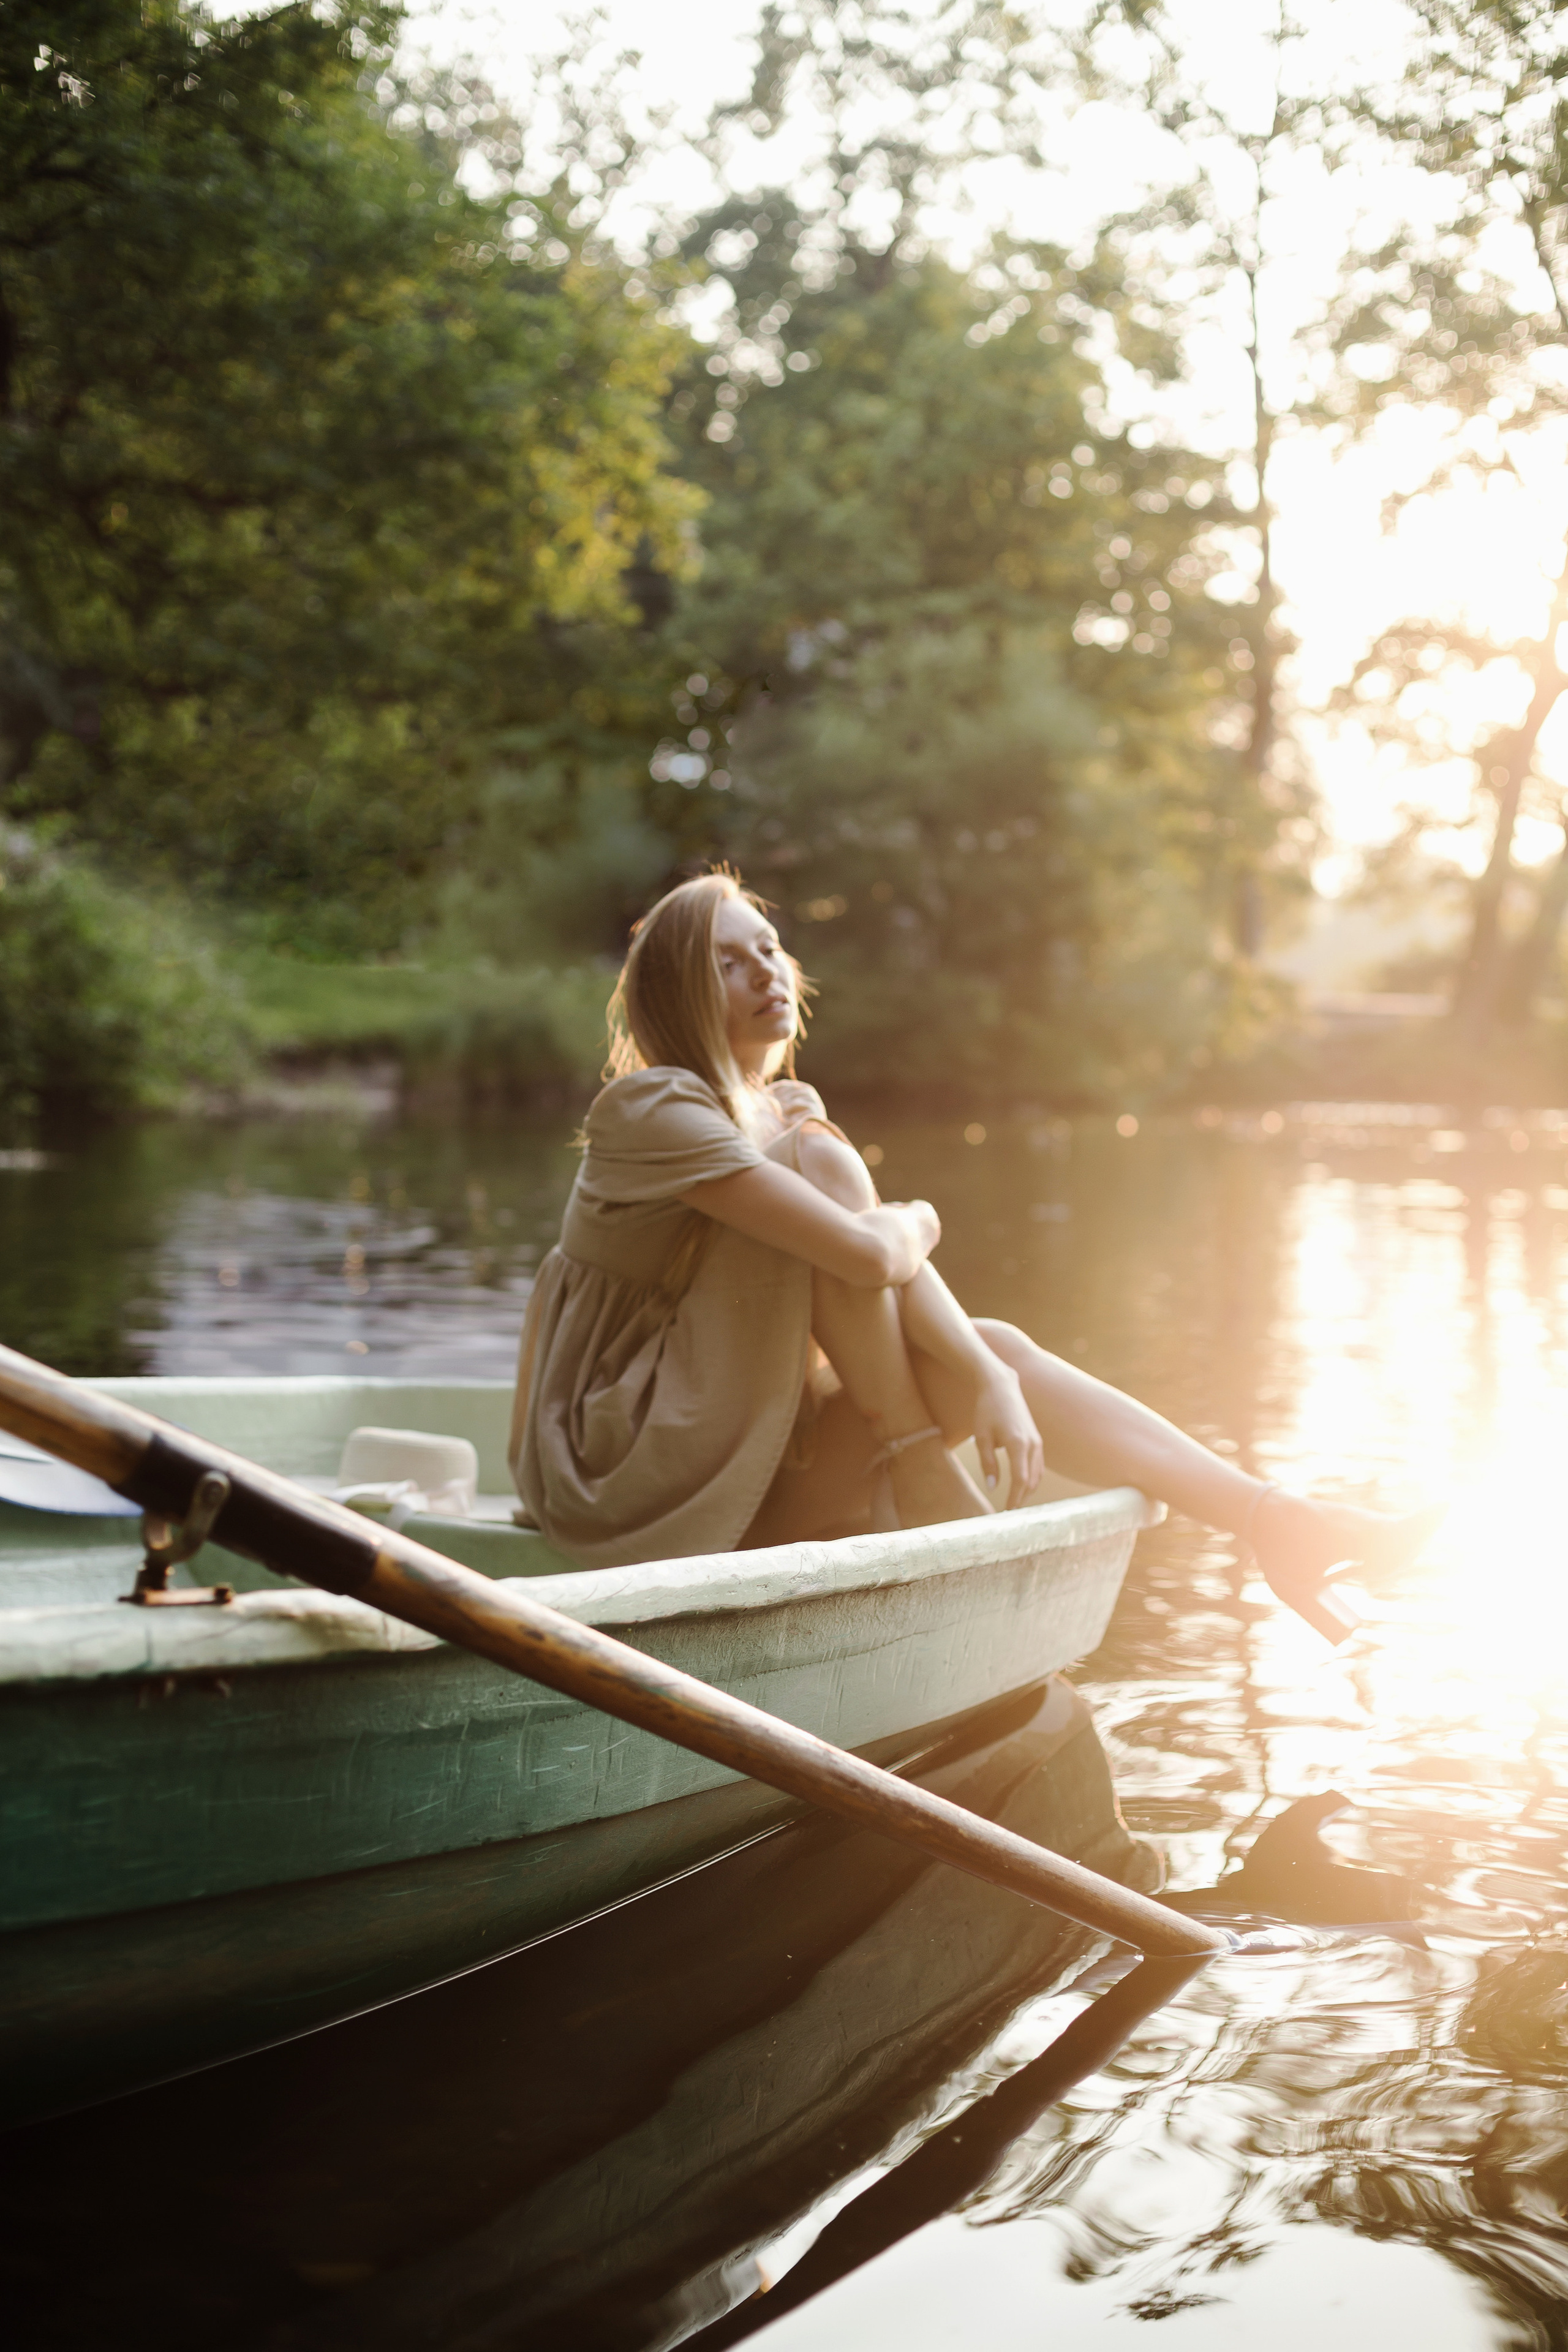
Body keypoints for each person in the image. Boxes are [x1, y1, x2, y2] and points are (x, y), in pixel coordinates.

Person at [509, 871, 1438, 1632]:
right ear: (680, 995)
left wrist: (987, 1377)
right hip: (622, 1471)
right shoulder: (652, 1108)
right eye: (727, 962)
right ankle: (916, 1456)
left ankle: (1275, 1521)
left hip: (746, 1439)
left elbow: (867, 1264)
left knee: (994, 1347)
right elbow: (867, 1258)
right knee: (823, 1172)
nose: (764, 971)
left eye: (768, 949)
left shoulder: (784, 1109)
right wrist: (918, 1217)